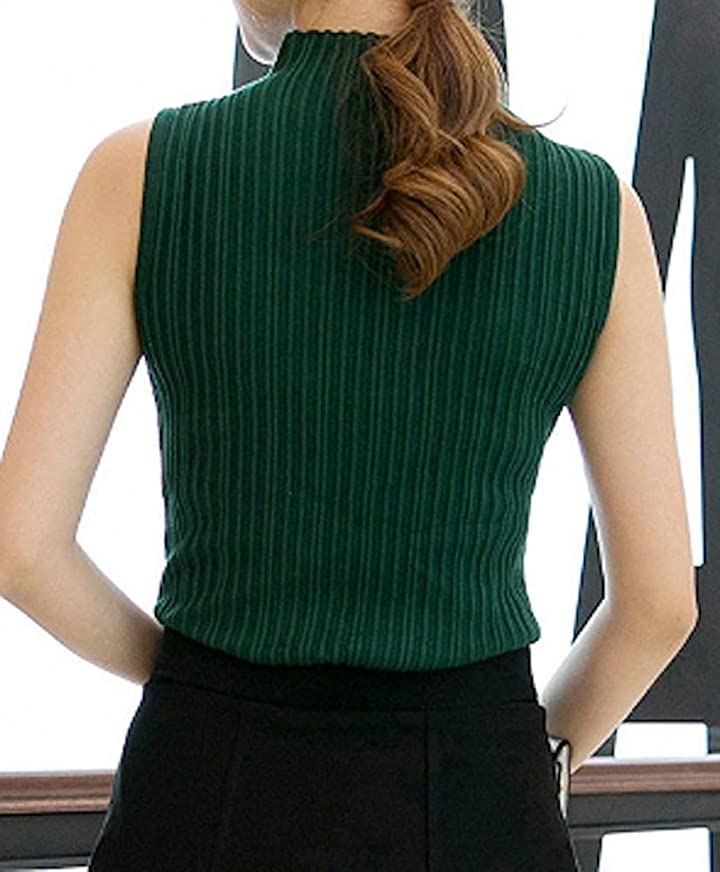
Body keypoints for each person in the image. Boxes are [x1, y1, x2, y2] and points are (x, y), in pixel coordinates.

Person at [0, 0, 697, 869]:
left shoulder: (140, 173)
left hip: (206, 783)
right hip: (479, 800)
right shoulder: (598, 209)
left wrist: (191, 680)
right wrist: (524, 758)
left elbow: (24, 550)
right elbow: (659, 606)